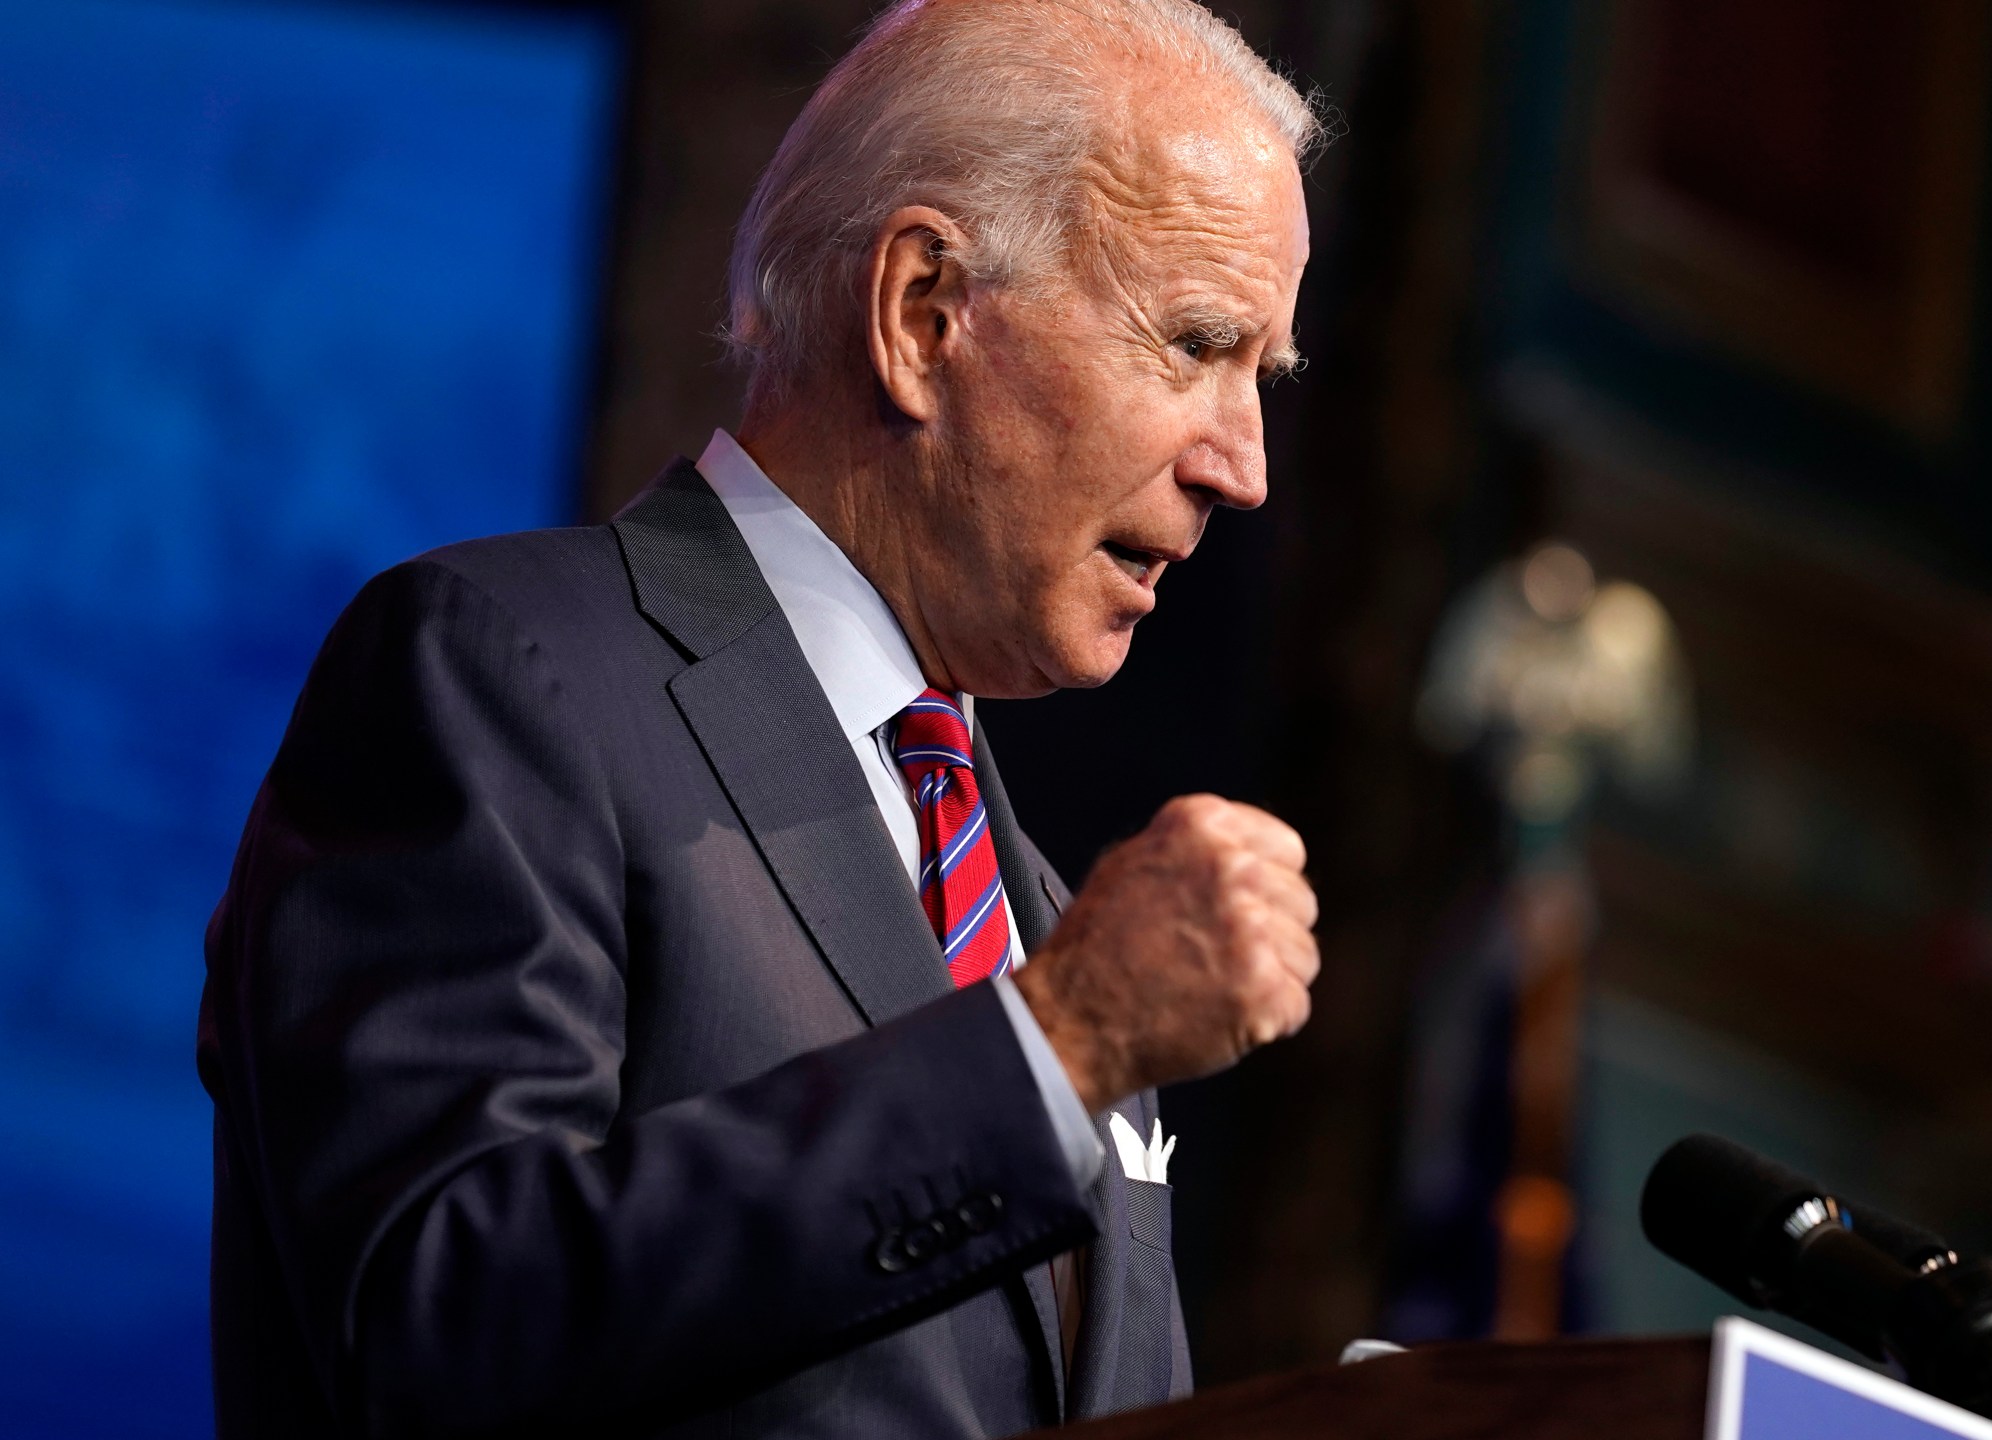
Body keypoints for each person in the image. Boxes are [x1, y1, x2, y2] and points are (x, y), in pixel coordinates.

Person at [196, 2, 1321, 1434]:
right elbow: (437, 1319)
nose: (1246, 468)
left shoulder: (1028, 905)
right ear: (924, 314)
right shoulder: (498, 678)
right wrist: (1062, 1042)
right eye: (1194, 343)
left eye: (1262, 379)